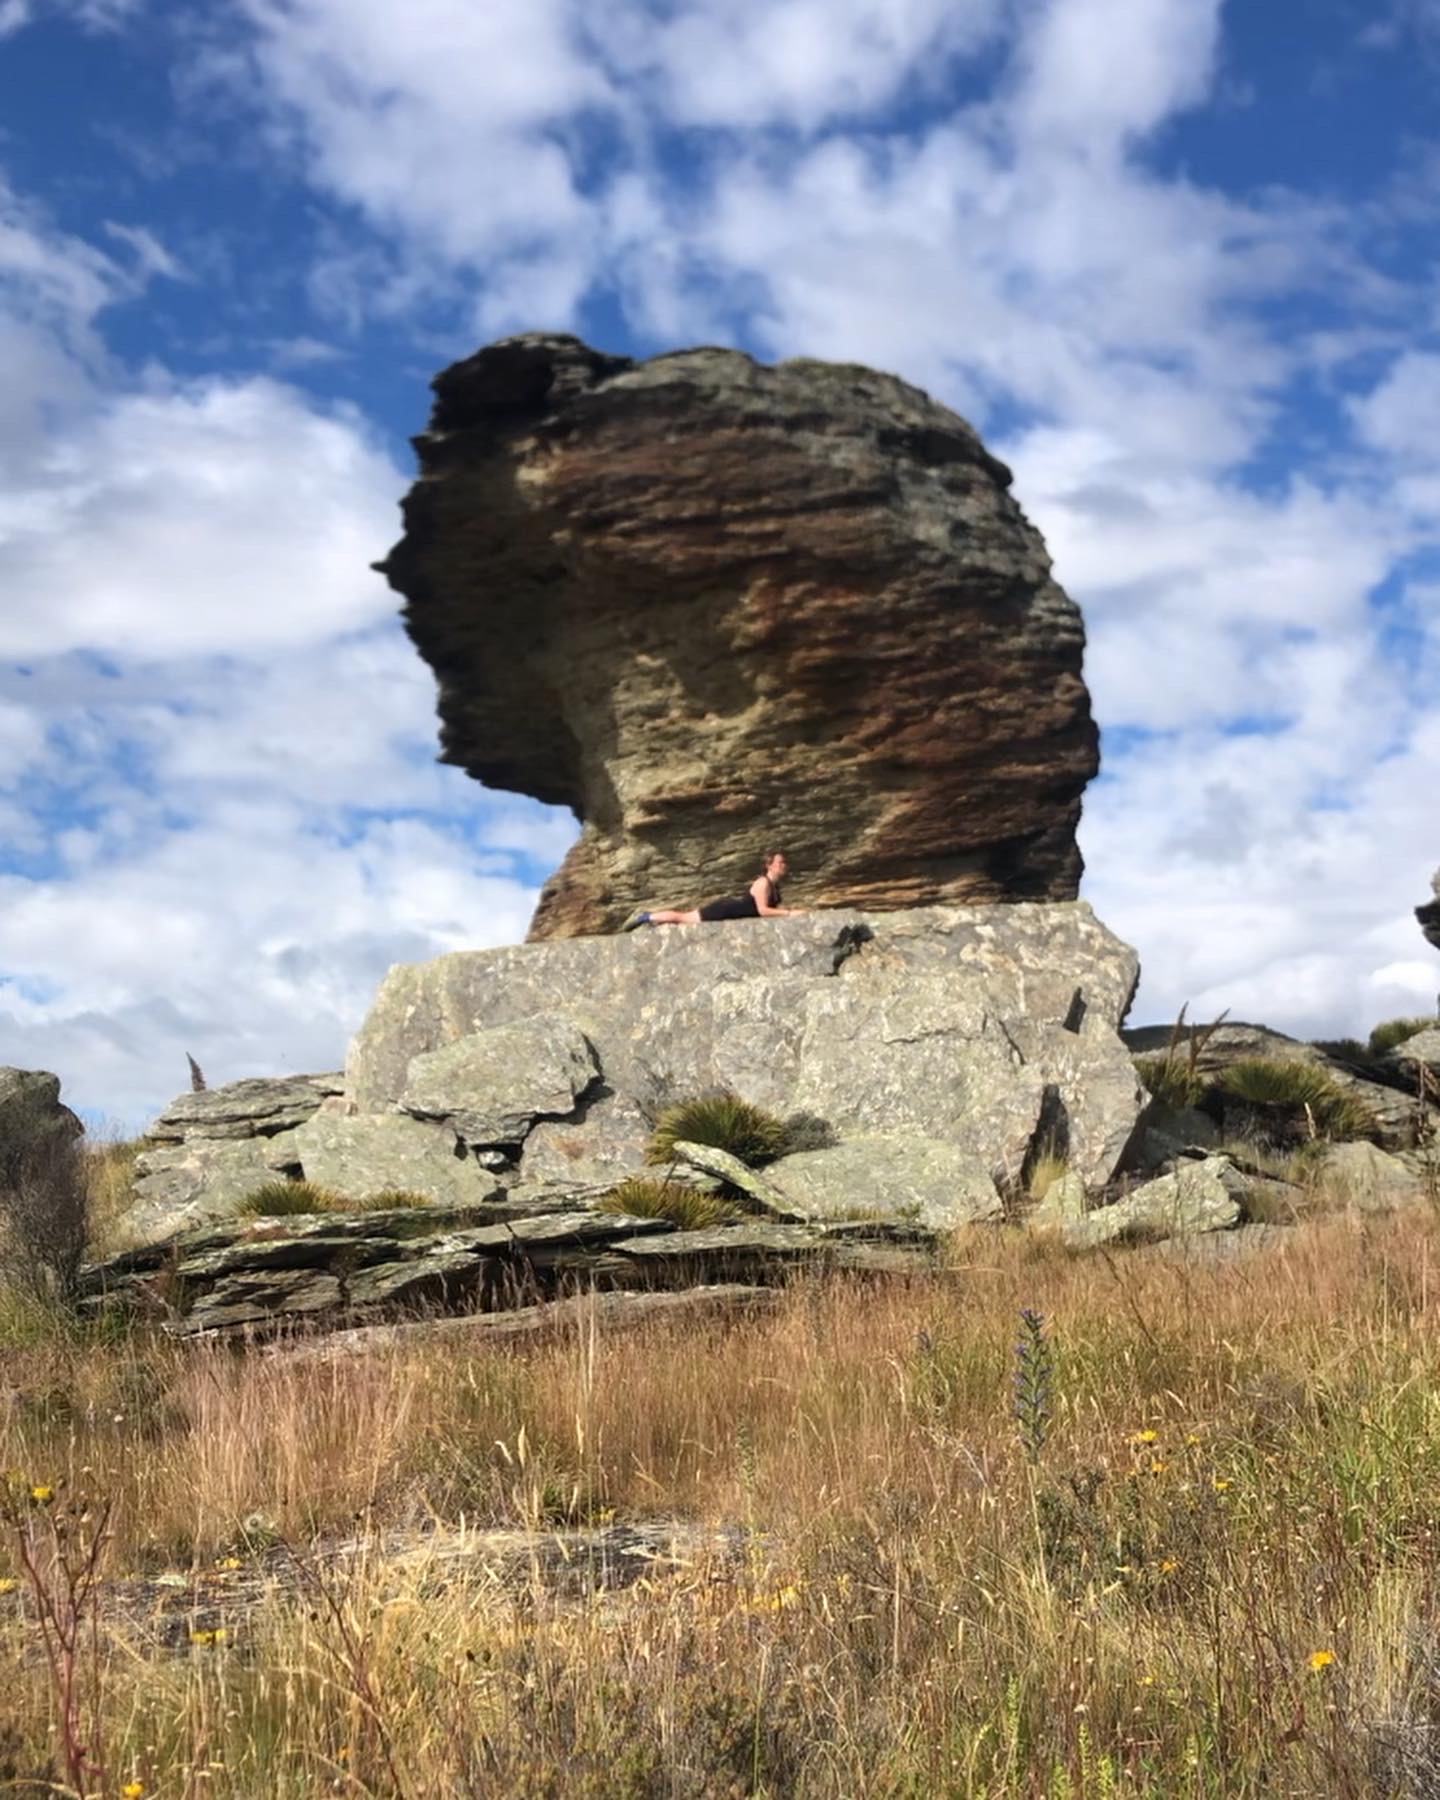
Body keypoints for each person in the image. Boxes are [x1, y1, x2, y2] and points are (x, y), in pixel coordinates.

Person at [623, 851, 802, 929]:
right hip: (724, 910)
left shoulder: (774, 887)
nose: (784, 865)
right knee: (682, 918)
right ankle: (645, 917)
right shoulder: (763, 883)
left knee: (683, 919)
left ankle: (651, 919)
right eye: (780, 862)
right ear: (769, 865)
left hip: (730, 913)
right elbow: (762, 910)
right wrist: (789, 913)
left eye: (784, 862)